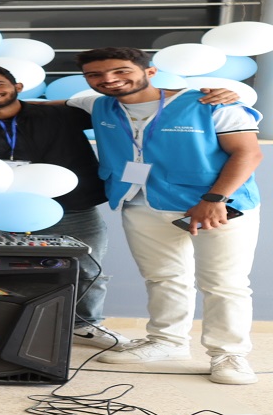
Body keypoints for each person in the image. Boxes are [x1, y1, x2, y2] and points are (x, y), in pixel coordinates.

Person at [70, 47, 261, 384]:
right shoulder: (96, 104)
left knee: (224, 283)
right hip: (141, 202)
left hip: (215, 206)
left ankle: (229, 354)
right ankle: (167, 341)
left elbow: (248, 154)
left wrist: (215, 198)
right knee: (162, 277)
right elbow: (33, 108)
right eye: (95, 75)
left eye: (120, 71)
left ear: (150, 72)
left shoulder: (211, 104)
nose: (108, 80)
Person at [0, 65, 135, 351]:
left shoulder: (64, 116)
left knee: (87, 269)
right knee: (3, 273)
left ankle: (84, 324)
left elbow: (124, 103)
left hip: (73, 208)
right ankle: (13, 328)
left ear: (18, 87)